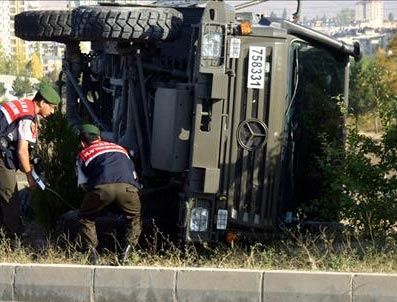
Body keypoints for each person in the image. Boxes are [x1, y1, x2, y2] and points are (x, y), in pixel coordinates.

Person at [0, 83, 60, 238]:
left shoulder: (22, 105)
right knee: (10, 195)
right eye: (52, 107)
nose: (52, 112)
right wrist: (29, 175)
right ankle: (15, 238)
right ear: (41, 103)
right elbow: (22, 151)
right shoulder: (28, 118)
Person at [76, 124, 142, 264]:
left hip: (101, 188)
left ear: (82, 142)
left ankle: (93, 255)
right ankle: (126, 253)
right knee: (134, 219)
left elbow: (83, 184)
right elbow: (134, 175)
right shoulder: (120, 148)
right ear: (100, 138)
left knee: (86, 218)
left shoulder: (83, 154)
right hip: (128, 188)